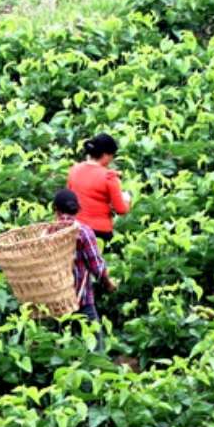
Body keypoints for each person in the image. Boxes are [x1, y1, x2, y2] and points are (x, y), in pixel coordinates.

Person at [53, 188, 114, 326]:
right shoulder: (83, 232)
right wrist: (108, 283)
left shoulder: (47, 234)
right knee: (96, 344)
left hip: (54, 303)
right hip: (82, 300)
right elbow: (97, 268)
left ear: (55, 210)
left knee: (61, 342)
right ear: (77, 210)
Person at [66, 134, 131, 244]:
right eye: (112, 156)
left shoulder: (74, 169)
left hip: (75, 230)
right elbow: (121, 210)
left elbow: (69, 197)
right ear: (106, 155)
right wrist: (127, 199)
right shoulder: (109, 177)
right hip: (99, 232)